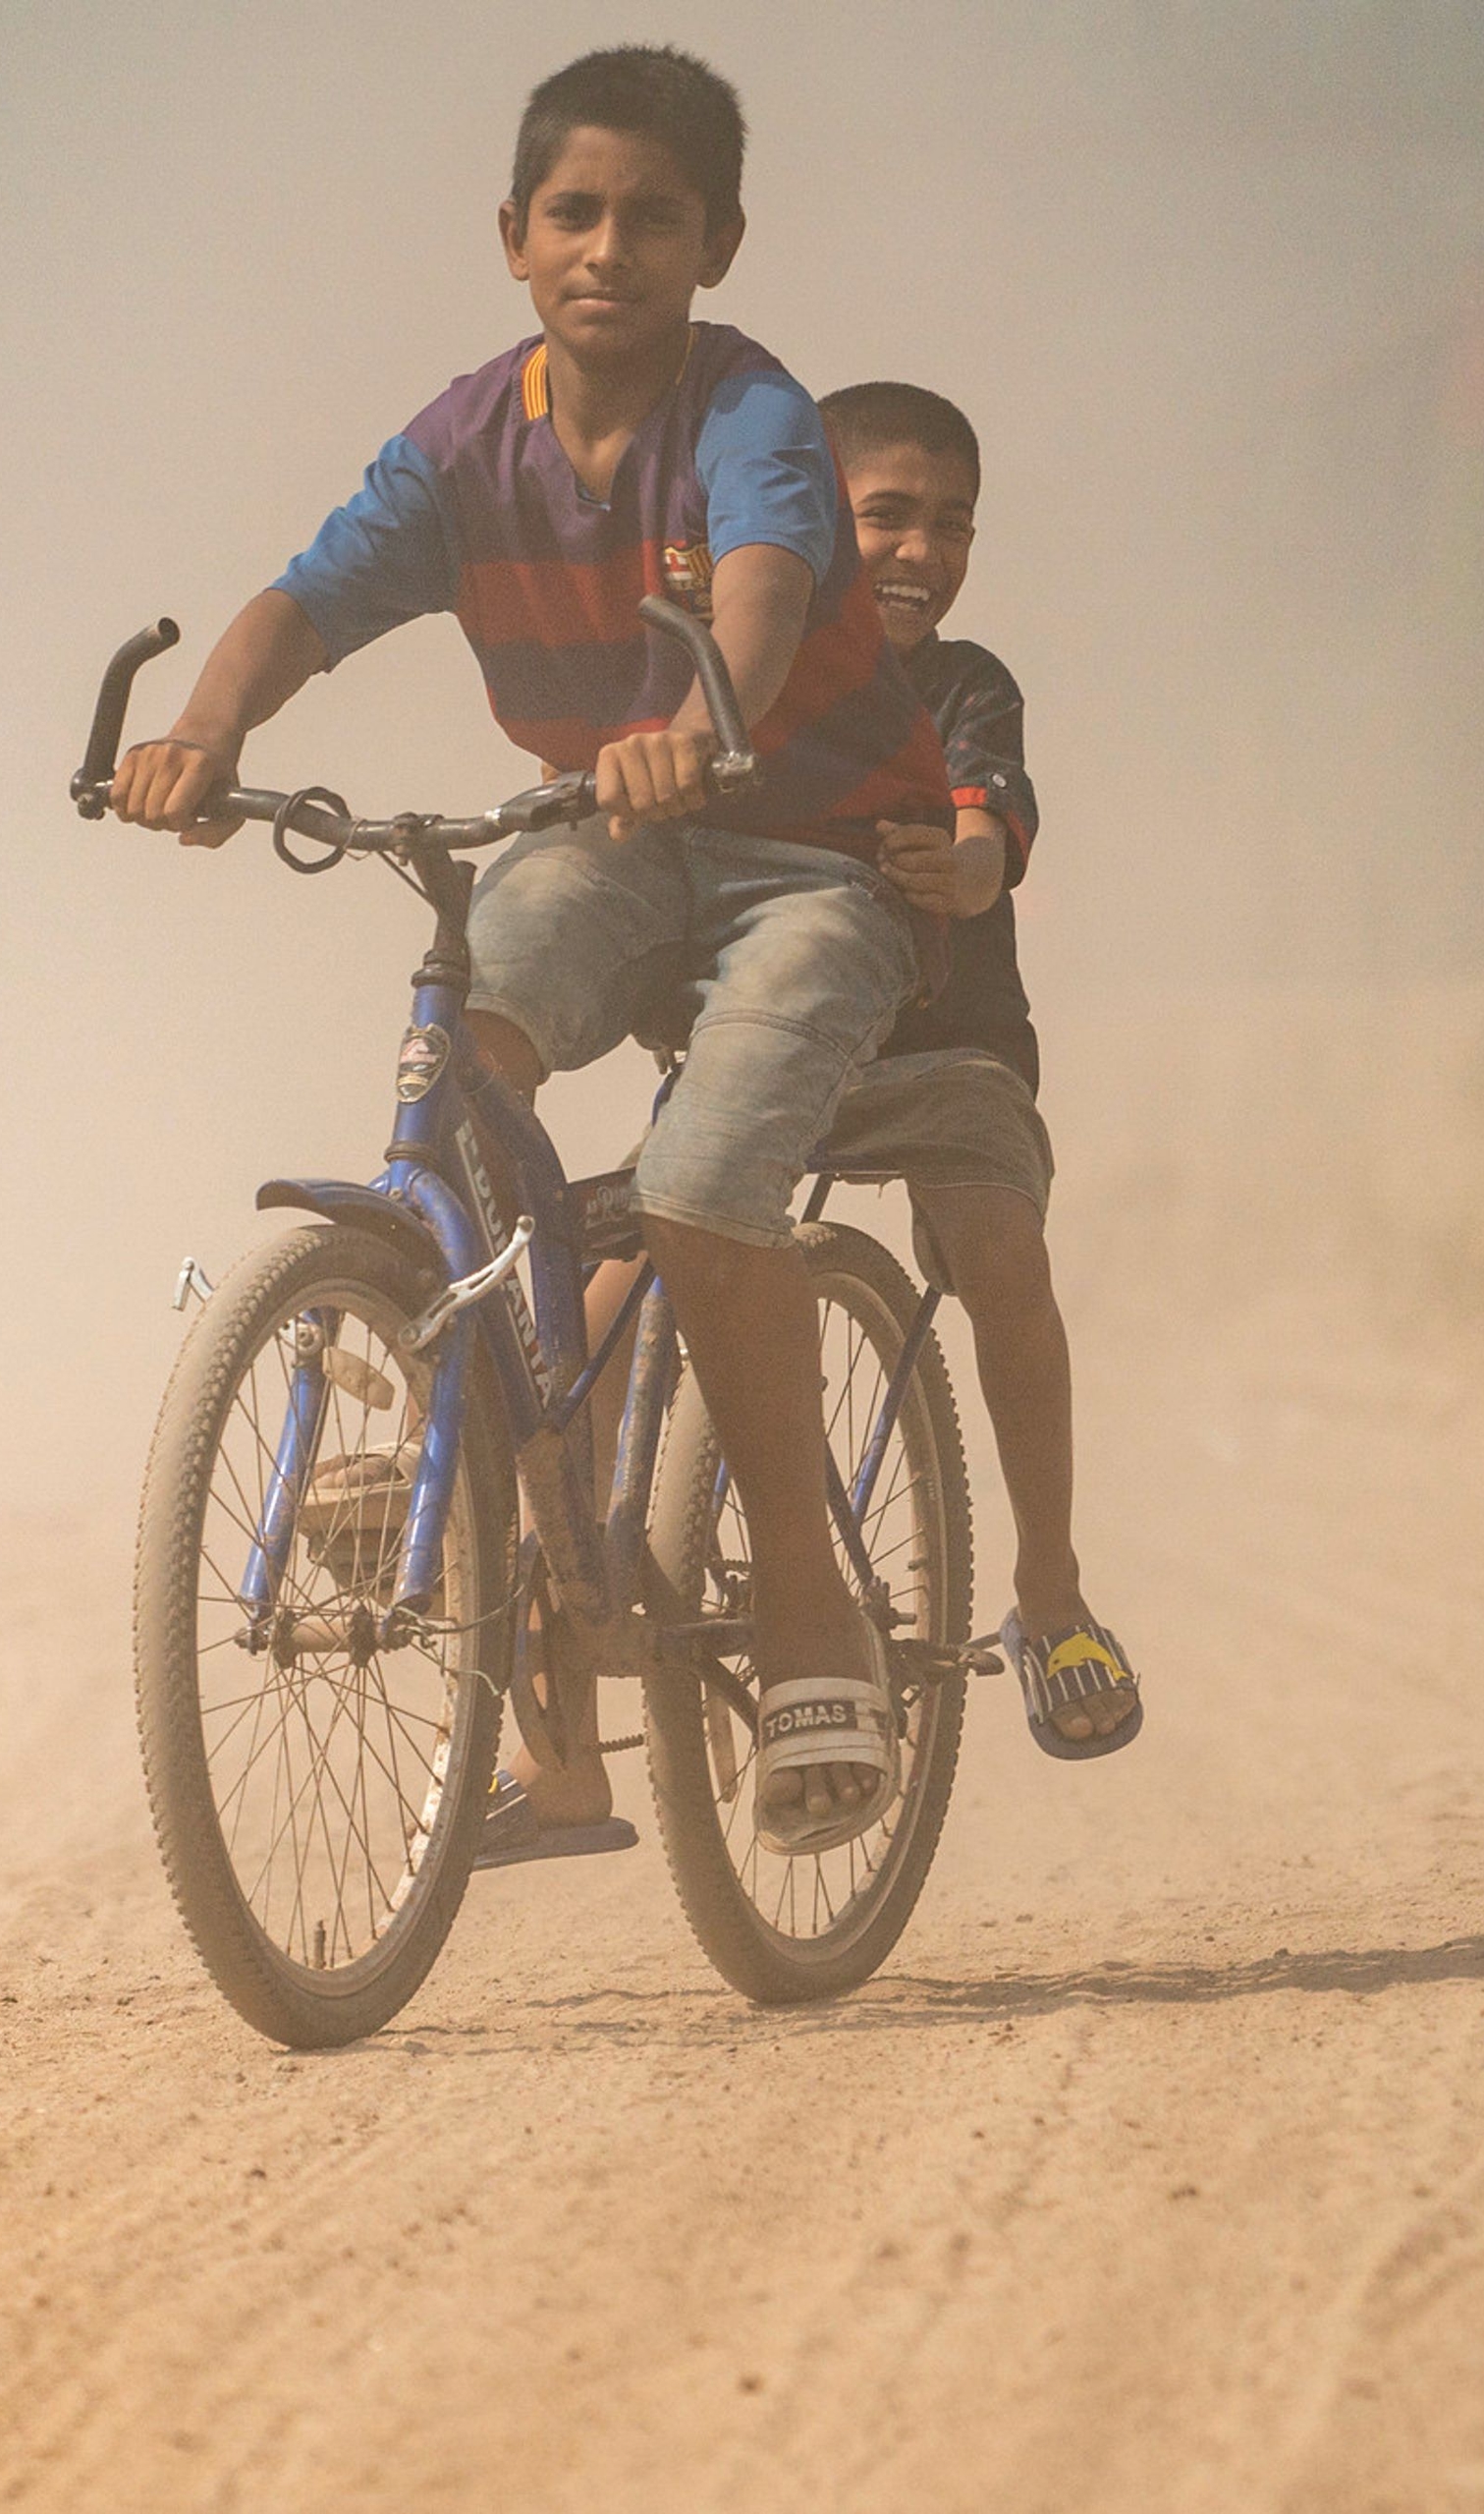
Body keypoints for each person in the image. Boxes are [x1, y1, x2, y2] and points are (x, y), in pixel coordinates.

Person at [105, 45, 954, 1859]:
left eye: (655, 218)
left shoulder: (752, 416)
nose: (611, 247)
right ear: (512, 236)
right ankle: (462, 1427)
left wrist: (698, 712)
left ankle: (808, 1604)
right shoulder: (465, 444)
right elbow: (306, 599)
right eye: (575, 212)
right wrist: (206, 733)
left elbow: (765, 579)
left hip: (806, 861)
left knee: (717, 1187)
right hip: (610, 836)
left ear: (719, 243)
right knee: (468, 1023)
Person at [811, 379, 1143, 1757]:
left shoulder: (962, 686)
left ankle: (1049, 1587)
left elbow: (986, 835)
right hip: (777, 1047)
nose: (920, 553)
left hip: (949, 1050)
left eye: (951, 526)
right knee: (615, 1277)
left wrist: (953, 871)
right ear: (806, 520)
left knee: (1002, 1261)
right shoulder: (741, 672)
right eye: (885, 517)